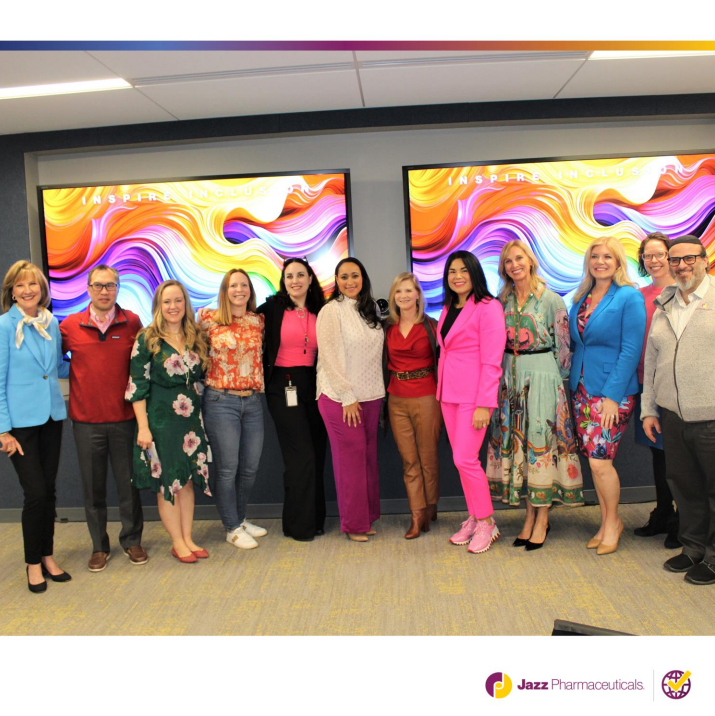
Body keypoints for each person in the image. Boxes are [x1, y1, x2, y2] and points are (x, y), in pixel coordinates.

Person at [486, 241, 583, 551]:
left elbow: (564, 347)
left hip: (542, 378)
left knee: (540, 445)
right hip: (509, 378)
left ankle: (542, 518)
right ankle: (529, 516)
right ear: (503, 268)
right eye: (508, 261)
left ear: (530, 261)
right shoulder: (502, 301)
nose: (514, 264)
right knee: (520, 447)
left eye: (519, 258)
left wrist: (558, 387)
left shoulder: (551, 299)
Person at [60, 265, 146, 572]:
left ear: (118, 288)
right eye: (98, 286)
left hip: (124, 419)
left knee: (128, 486)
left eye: (110, 286)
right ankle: (99, 546)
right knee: (92, 489)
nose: (104, 291)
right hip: (86, 422)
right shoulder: (69, 325)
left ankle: (132, 541)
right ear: (88, 289)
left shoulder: (133, 322)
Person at [642, 235, 715, 585]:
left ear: (704, 260)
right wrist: (649, 409)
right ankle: (693, 548)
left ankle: (714, 558)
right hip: (672, 415)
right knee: (685, 487)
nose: (682, 265)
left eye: (689, 259)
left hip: (710, 416)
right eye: (676, 260)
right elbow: (652, 359)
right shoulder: (665, 304)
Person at [569, 237, 646, 555]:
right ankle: (605, 523)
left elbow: (631, 350)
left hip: (612, 393)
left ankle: (613, 522)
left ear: (618, 263)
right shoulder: (582, 297)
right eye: (595, 256)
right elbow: (579, 344)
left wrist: (613, 396)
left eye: (607, 257)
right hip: (582, 390)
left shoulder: (629, 297)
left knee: (601, 462)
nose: (600, 261)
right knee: (597, 462)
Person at [126, 280, 211, 563]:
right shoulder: (146, 339)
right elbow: (136, 386)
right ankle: (177, 541)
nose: (173, 306)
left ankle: (188, 538)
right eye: (167, 302)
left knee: (186, 481)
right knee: (168, 483)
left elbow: (199, 376)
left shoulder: (195, 336)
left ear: (185, 304)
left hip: (190, 422)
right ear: (158, 306)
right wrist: (144, 428)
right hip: (160, 421)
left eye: (178, 301)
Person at [0, 261, 71, 593]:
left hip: (51, 418)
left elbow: (56, 367)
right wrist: (3, 430)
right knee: (36, 494)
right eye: (20, 285)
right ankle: (32, 563)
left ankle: (47, 555)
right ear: (11, 291)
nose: (28, 290)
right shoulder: (4, 326)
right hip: (20, 426)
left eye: (34, 284)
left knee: (50, 492)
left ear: (43, 289)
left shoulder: (51, 322)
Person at [437, 251, 506, 555]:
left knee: (466, 460)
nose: (457, 276)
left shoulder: (488, 307)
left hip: (474, 397)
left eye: (463, 270)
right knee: (461, 461)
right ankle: (475, 516)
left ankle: (488, 522)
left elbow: (492, 361)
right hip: (448, 394)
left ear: (475, 273)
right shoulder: (449, 306)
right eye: (452, 271)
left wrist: (484, 404)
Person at [257, 258, 327, 542]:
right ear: (283, 281)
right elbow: (241, 323)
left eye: (301, 275)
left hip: (317, 385)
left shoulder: (322, 311)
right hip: (283, 386)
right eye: (289, 276)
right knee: (301, 456)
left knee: (317, 454)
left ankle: (316, 520)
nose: (295, 280)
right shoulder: (272, 309)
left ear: (310, 279)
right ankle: (299, 526)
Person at [316, 257, 384, 542]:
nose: (350, 282)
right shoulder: (332, 311)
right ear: (336, 281)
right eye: (343, 277)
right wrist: (347, 396)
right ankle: (354, 524)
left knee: (366, 459)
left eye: (355, 276)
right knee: (351, 461)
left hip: (371, 395)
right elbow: (330, 357)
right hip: (340, 397)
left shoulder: (369, 311)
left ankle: (365, 517)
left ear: (363, 278)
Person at [199, 269, 268, 550]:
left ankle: (239, 518)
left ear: (250, 290)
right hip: (220, 401)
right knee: (228, 469)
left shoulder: (258, 321)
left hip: (252, 401)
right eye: (233, 285)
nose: (239, 289)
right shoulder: (208, 320)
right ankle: (231, 527)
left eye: (244, 285)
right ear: (225, 290)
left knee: (249, 468)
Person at [383, 272, 440, 539]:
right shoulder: (387, 328)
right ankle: (416, 515)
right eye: (398, 292)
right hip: (396, 398)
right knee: (409, 461)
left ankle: (430, 507)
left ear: (418, 295)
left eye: (408, 291)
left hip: (427, 396)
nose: (403, 296)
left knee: (427, 458)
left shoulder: (432, 325)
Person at [632, 233, 679, 549]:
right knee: (658, 453)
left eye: (659, 254)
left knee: (678, 455)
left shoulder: (686, 292)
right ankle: (663, 512)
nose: (654, 260)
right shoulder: (637, 296)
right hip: (645, 385)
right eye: (648, 255)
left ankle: (682, 518)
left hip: (677, 386)